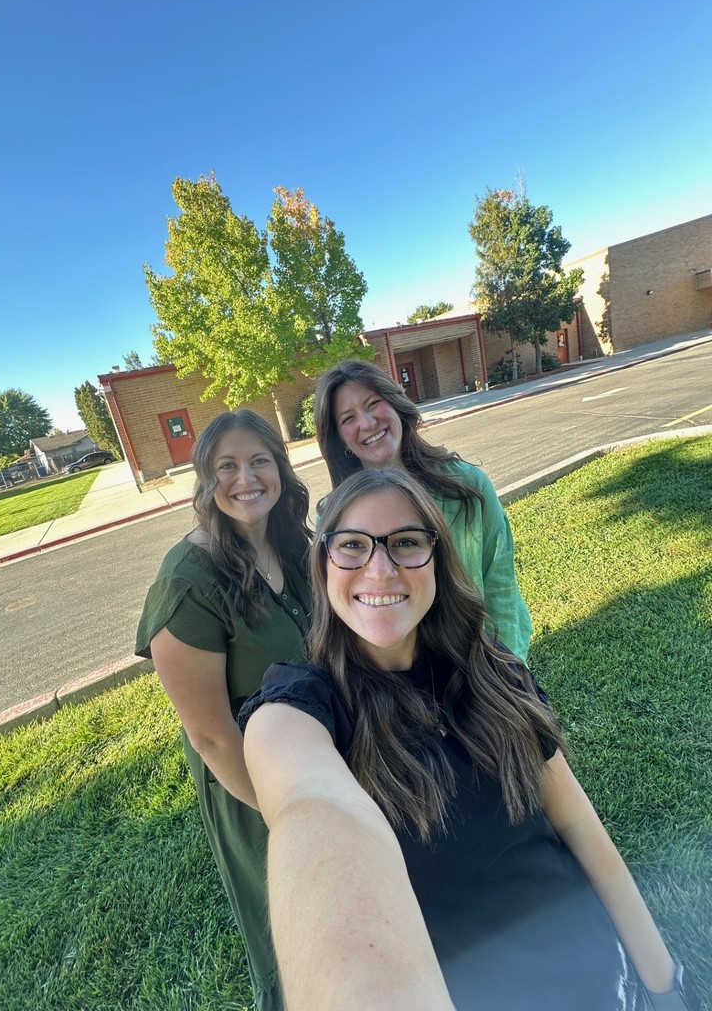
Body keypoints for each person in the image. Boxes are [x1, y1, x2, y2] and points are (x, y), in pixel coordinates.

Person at [240, 468, 695, 1011]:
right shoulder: (303, 708)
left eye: (406, 543)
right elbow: (307, 804)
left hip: (607, 985)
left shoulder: (494, 673)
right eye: (353, 546)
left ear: (438, 560)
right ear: (323, 565)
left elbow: (577, 825)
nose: (379, 569)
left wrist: (666, 986)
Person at [135, 410, 312, 1011]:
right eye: (226, 466)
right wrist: (289, 814)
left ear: (281, 468)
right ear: (205, 481)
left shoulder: (292, 541)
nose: (246, 478)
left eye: (260, 460)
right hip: (253, 781)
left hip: (323, 749)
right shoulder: (189, 579)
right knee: (295, 926)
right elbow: (210, 736)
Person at [313, 359, 532, 661]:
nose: (366, 423)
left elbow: (500, 584)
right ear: (340, 438)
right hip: (397, 682)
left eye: (373, 404)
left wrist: (508, 666)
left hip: (477, 661)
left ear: (396, 406)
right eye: (348, 418)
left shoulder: (467, 487)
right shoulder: (333, 518)